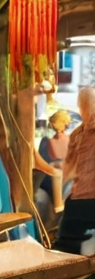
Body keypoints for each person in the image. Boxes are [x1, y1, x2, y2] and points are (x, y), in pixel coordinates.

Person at [55, 87, 95, 254]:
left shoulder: (76, 134)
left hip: (78, 199)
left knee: (66, 246)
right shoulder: (77, 134)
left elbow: (68, 169)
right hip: (85, 200)